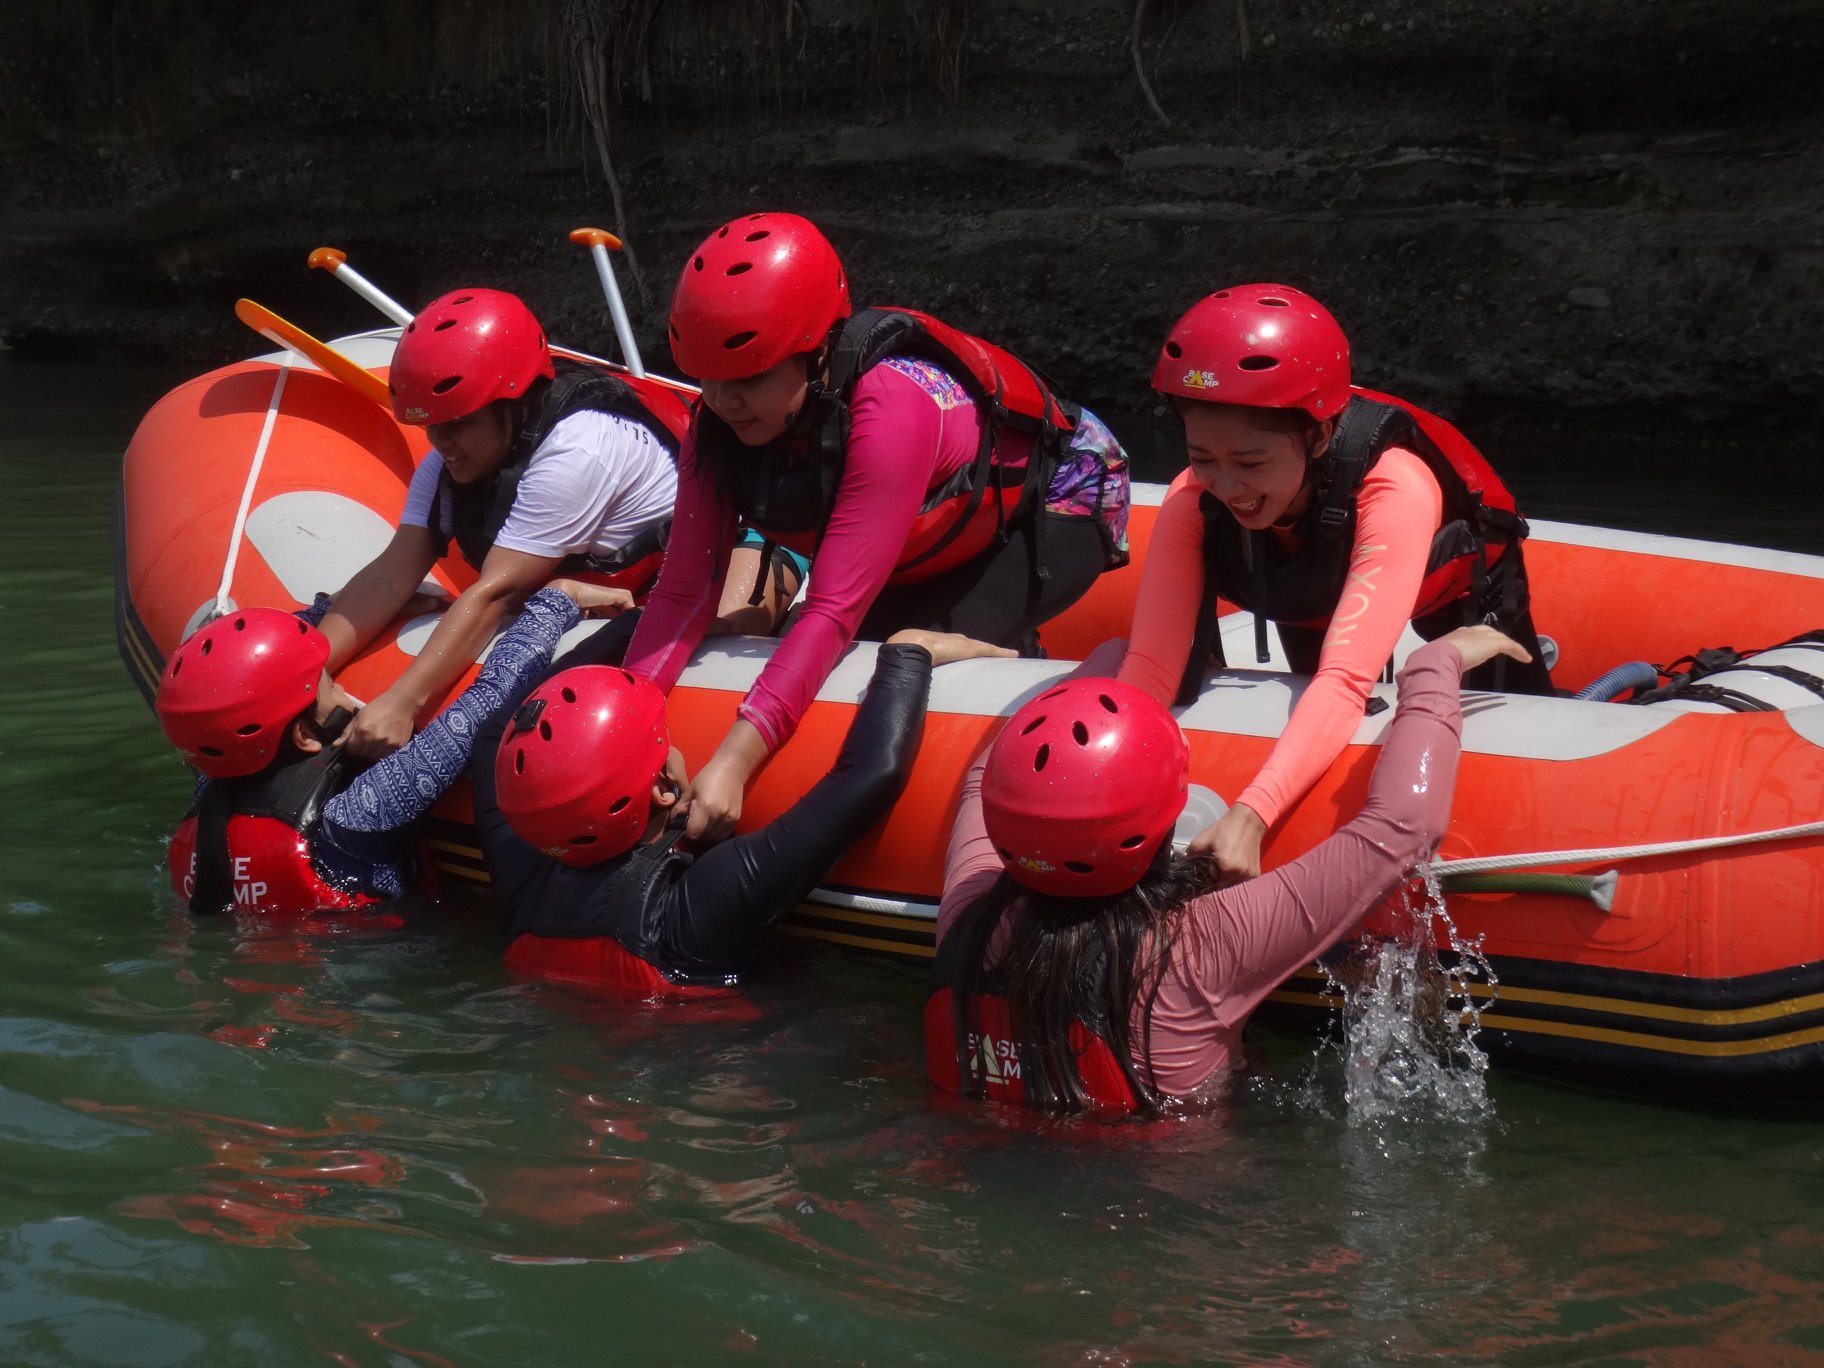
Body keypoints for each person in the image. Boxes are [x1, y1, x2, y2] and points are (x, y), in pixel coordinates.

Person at [624, 212, 1133, 844]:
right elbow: (681, 593)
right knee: (856, 646)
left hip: (1061, 495)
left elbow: (831, 610)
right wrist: (630, 729)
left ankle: (1019, 656)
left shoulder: (889, 406)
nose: (724, 401)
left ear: (814, 355)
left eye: (750, 378)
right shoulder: (716, 424)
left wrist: (732, 763)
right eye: (709, 378)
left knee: (903, 649)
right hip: (928, 526)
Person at [927, 626, 1530, 1115]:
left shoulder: (967, 909)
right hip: (1172, 1190)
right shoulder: (1204, 944)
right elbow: (1404, 824)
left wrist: (1108, 657)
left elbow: (985, 774)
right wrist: (1434, 664)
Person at [1119, 284, 1555, 883]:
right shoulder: (1193, 499)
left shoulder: (1394, 488)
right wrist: (1098, 780)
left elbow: (1345, 681)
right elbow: (1151, 668)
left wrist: (1252, 816)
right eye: (1203, 456)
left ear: (1319, 436)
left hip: (1458, 594)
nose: (1226, 484)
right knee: (1309, 694)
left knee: (1526, 732)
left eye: (1249, 462)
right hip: (1308, 588)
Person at [470, 629, 1013, 992]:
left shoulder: (523, 876)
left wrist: (647, 621)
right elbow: (871, 777)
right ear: (664, 788)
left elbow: (494, 730)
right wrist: (907, 655)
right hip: (709, 1068)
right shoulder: (697, 903)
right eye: (665, 742)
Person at [317, 288, 687, 761]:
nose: (440, 442)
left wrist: (403, 703)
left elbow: (496, 594)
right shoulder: (448, 463)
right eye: (431, 425)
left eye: (456, 424)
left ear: (510, 404)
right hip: (570, 590)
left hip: (663, 595)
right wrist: (311, 669)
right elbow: (392, 574)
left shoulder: (576, 452)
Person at [155, 581, 629, 917]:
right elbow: (486, 702)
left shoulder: (208, 783)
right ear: (304, 736)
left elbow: (237, 677)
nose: (341, 688)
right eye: (327, 684)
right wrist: (557, 603)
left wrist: (334, 607)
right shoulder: (360, 812)